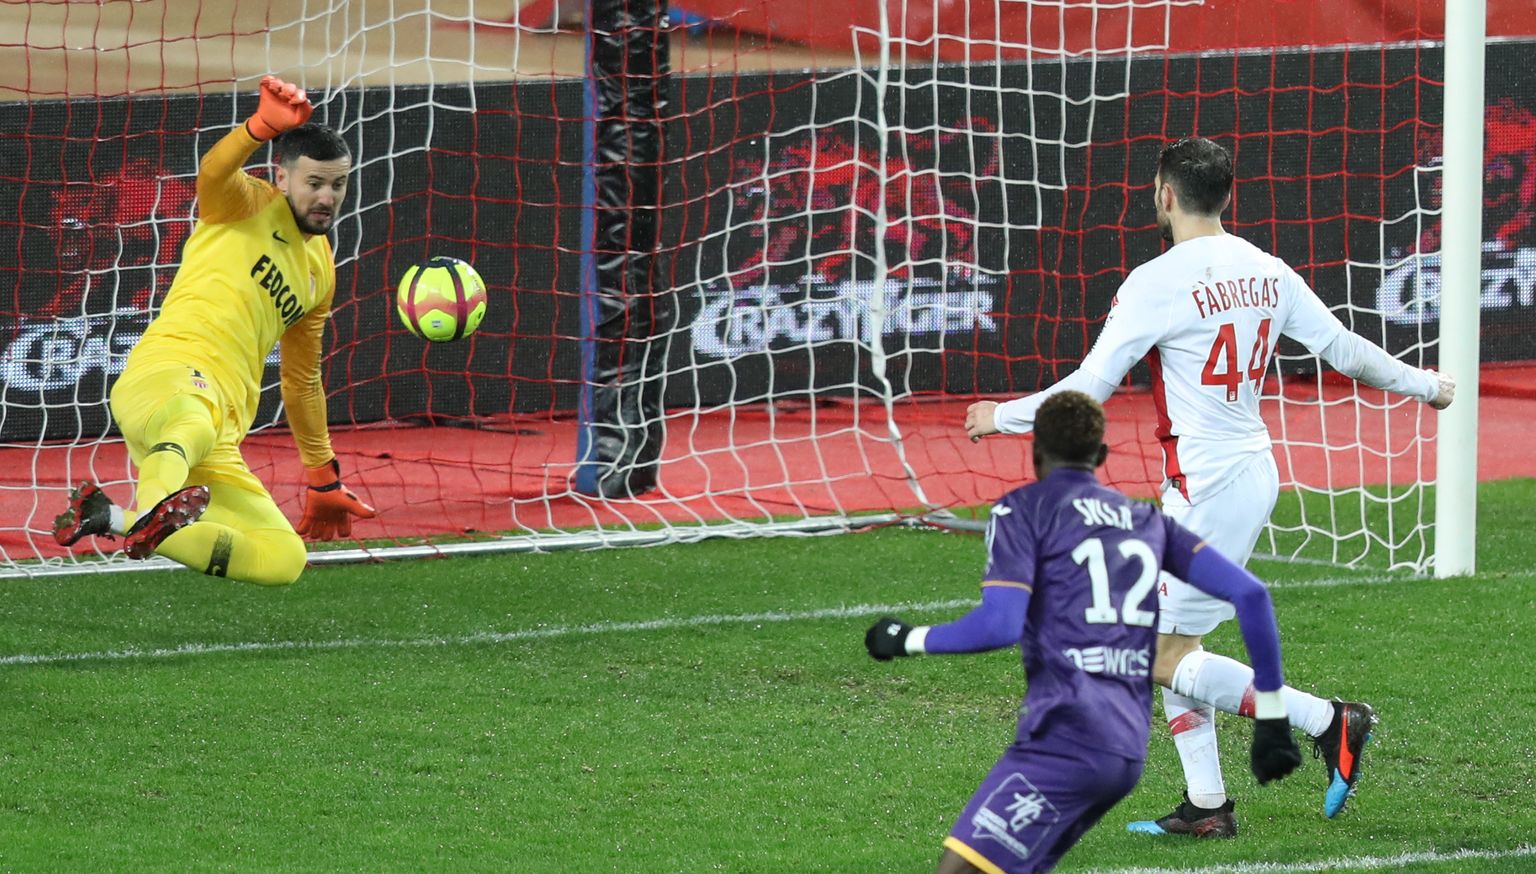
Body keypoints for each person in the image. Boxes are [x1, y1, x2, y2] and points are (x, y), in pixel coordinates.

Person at [963, 136, 1456, 835]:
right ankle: (1207, 807)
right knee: (1173, 643)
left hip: (1210, 486)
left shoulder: (1156, 281)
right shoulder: (1268, 270)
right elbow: (1345, 351)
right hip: (1244, 472)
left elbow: (1090, 388)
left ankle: (1330, 720)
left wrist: (1001, 416)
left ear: (1164, 195)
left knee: (1154, 652)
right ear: (1227, 195)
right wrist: (1426, 385)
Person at [865, 391, 1303, 874]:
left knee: (960, 869)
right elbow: (1251, 595)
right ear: (1101, 455)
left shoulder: (1022, 511)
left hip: (1064, 741)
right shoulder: (1146, 521)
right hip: (1125, 752)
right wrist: (1271, 716)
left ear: (1035, 452)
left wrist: (905, 639)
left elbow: (1000, 624)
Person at [51, 75, 375, 584]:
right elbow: (214, 171)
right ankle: (155, 505)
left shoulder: (321, 272)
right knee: (193, 419)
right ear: (282, 178)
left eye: (338, 185)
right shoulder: (248, 203)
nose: (326, 197)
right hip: (168, 378)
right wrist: (259, 126)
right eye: (314, 183)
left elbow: (302, 379)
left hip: (219, 435)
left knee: (282, 560)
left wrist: (323, 477)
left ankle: (113, 517)